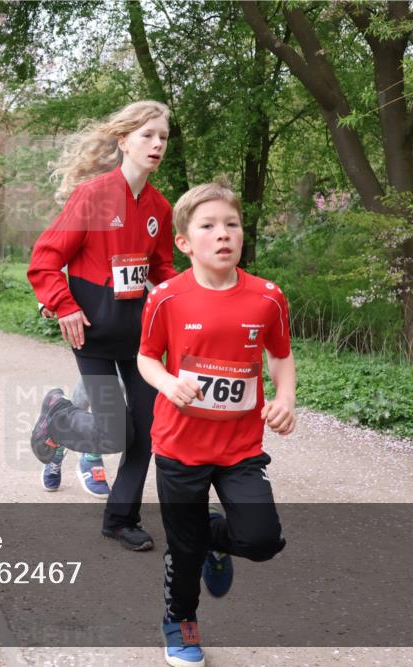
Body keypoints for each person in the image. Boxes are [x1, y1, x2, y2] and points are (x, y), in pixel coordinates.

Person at [136, 182, 295, 666]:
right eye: (208, 226)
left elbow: (281, 357)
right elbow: (146, 358)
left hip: (240, 446)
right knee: (183, 554)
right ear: (184, 241)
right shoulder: (166, 297)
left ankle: (211, 535)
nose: (223, 234)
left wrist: (285, 398)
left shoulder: (267, 298)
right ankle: (180, 623)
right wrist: (167, 383)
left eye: (232, 224)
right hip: (179, 446)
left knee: (262, 540)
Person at [27, 101, 178, 552]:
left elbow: (162, 270)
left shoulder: (160, 208)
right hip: (91, 332)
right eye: (147, 135)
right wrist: (63, 305)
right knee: (113, 432)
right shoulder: (93, 196)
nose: (156, 144)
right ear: (124, 140)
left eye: (163, 138)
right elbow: (46, 259)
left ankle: (119, 518)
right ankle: (57, 416)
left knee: (147, 428)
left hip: (139, 339)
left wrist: (195, 301)